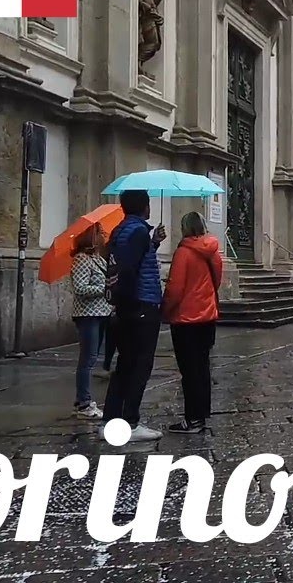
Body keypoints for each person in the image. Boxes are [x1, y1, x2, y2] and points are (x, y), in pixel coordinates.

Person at [104, 189, 167, 442]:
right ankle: (130, 422)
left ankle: (109, 421)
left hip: (127, 308)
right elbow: (130, 271)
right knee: (140, 366)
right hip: (140, 306)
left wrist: (154, 244)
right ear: (145, 206)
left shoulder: (121, 230)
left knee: (125, 366)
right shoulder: (138, 232)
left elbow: (130, 261)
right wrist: (130, 305)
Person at [162, 211, 222, 434]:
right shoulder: (213, 252)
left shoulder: (183, 253)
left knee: (189, 371)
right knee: (202, 368)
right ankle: (201, 415)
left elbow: (175, 289)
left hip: (186, 319)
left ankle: (192, 419)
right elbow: (216, 280)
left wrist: (165, 310)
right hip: (207, 317)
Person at [70, 223, 111, 419]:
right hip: (88, 314)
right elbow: (80, 288)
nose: (104, 236)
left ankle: (83, 400)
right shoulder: (81, 259)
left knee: (93, 357)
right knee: (87, 359)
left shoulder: (98, 259)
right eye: (100, 233)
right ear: (91, 238)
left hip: (101, 313)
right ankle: (83, 403)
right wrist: (103, 288)